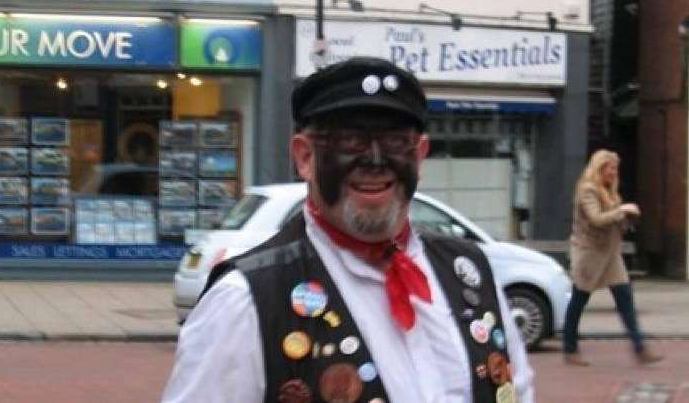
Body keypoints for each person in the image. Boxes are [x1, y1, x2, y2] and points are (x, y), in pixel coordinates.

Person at [162, 57, 535, 402]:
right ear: (305, 158)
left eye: (394, 142)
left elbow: (519, 391)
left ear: (419, 157)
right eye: (350, 141)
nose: (374, 161)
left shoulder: (469, 271)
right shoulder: (244, 300)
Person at [562, 149, 663, 366]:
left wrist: (628, 219)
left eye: (616, 168)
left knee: (625, 298)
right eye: (611, 168)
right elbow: (597, 219)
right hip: (589, 253)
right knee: (579, 300)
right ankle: (569, 348)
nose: (614, 172)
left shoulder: (610, 191)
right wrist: (622, 210)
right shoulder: (587, 190)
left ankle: (640, 348)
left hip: (610, 254)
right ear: (600, 168)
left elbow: (613, 223)